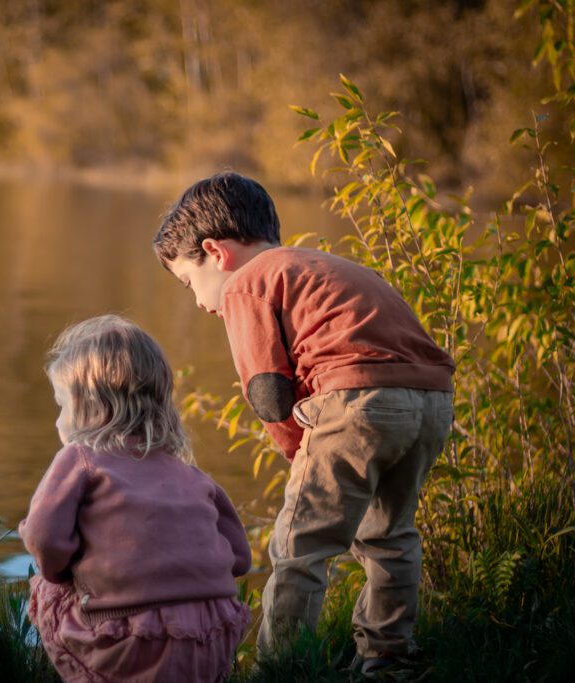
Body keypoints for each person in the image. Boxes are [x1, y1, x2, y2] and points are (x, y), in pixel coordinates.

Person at [152, 172, 455, 676]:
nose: (201, 302)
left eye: (190, 282)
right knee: (391, 535)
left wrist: (301, 455)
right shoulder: (325, 265)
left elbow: (268, 394)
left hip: (356, 401)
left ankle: (282, 666)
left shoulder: (248, 282)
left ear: (216, 251)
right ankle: (389, 658)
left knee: (299, 546)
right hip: (431, 401)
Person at [19, 314, 253, 683]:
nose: (57, 421)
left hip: (125, 647)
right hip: (211, 641)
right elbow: (240, 559)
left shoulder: (79, 459)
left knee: (49, 585)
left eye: (61, 405)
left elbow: (43, 538)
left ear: (91, 407)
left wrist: (65, 572)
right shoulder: (193, 477)